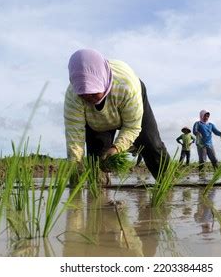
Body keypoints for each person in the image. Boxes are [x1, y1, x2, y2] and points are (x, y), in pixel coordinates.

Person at [64, 49, 170, 186]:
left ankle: (168, 184)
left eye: (93, 92)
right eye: (83, 95)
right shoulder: (73, 96)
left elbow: (132, 126)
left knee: (151, 145)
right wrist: (75, 175)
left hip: (127, 103)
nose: (88, 98)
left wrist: (116, 148)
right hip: (97, 122)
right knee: (96, 162)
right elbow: (75, 138)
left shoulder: (127, 85)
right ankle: (100, 196)